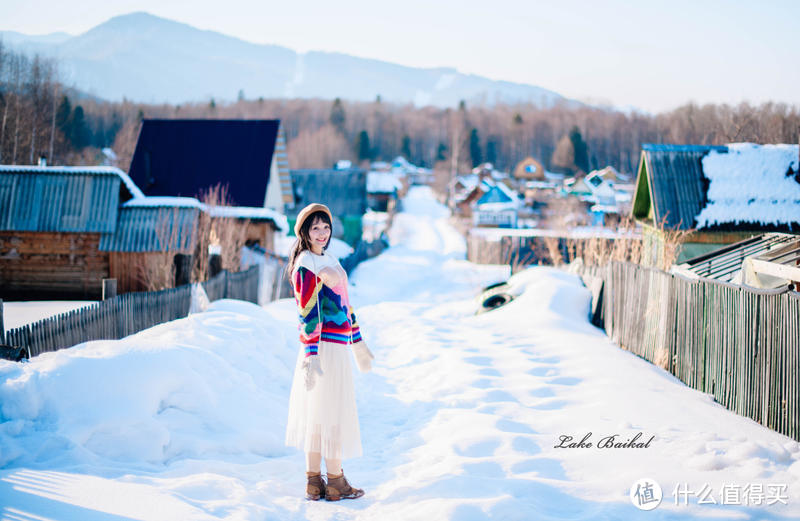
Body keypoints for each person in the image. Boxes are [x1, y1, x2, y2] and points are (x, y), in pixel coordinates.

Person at [285, 203, 375, 501]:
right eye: (315, 228)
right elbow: (306, 311)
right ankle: (334, 480)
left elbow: (345, 304)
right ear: (304, 232)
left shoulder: (330, 258)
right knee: (330, 412)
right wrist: (311, 353)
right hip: (321, 349)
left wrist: (358, 341)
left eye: (325, 227)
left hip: (336, 346)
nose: (322, 233)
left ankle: (314, 482)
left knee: (321, 413)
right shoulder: (305, 264)